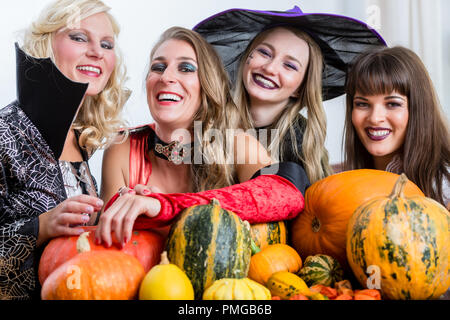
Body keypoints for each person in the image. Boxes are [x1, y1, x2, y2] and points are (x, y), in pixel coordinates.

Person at [96, 27, 310, 247]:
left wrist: (165, 207)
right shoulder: (122, 147)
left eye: (186, 68)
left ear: (207, 85)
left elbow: (288, 193)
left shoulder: (235, 143)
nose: (166, 77)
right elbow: (110, 247)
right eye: (158, 67)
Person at [0, 0, 129, 300]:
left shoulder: (83, 139)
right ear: (46, 44)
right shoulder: (5, 132)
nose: (97, 51)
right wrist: (41, 227)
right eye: (79, 37)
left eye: (107, 44)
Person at [193, 6, 387, 184]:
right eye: (264, 52)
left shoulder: (300, 142)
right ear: (246, 59)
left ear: (300, 87)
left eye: (290, 65)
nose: (269, 68)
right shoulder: (209, 120)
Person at [343, 46, 449, 209]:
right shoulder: (340, 181)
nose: (375, 118)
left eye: (392, 104)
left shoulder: (445, 189)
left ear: (418, 109)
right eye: (362, 104)